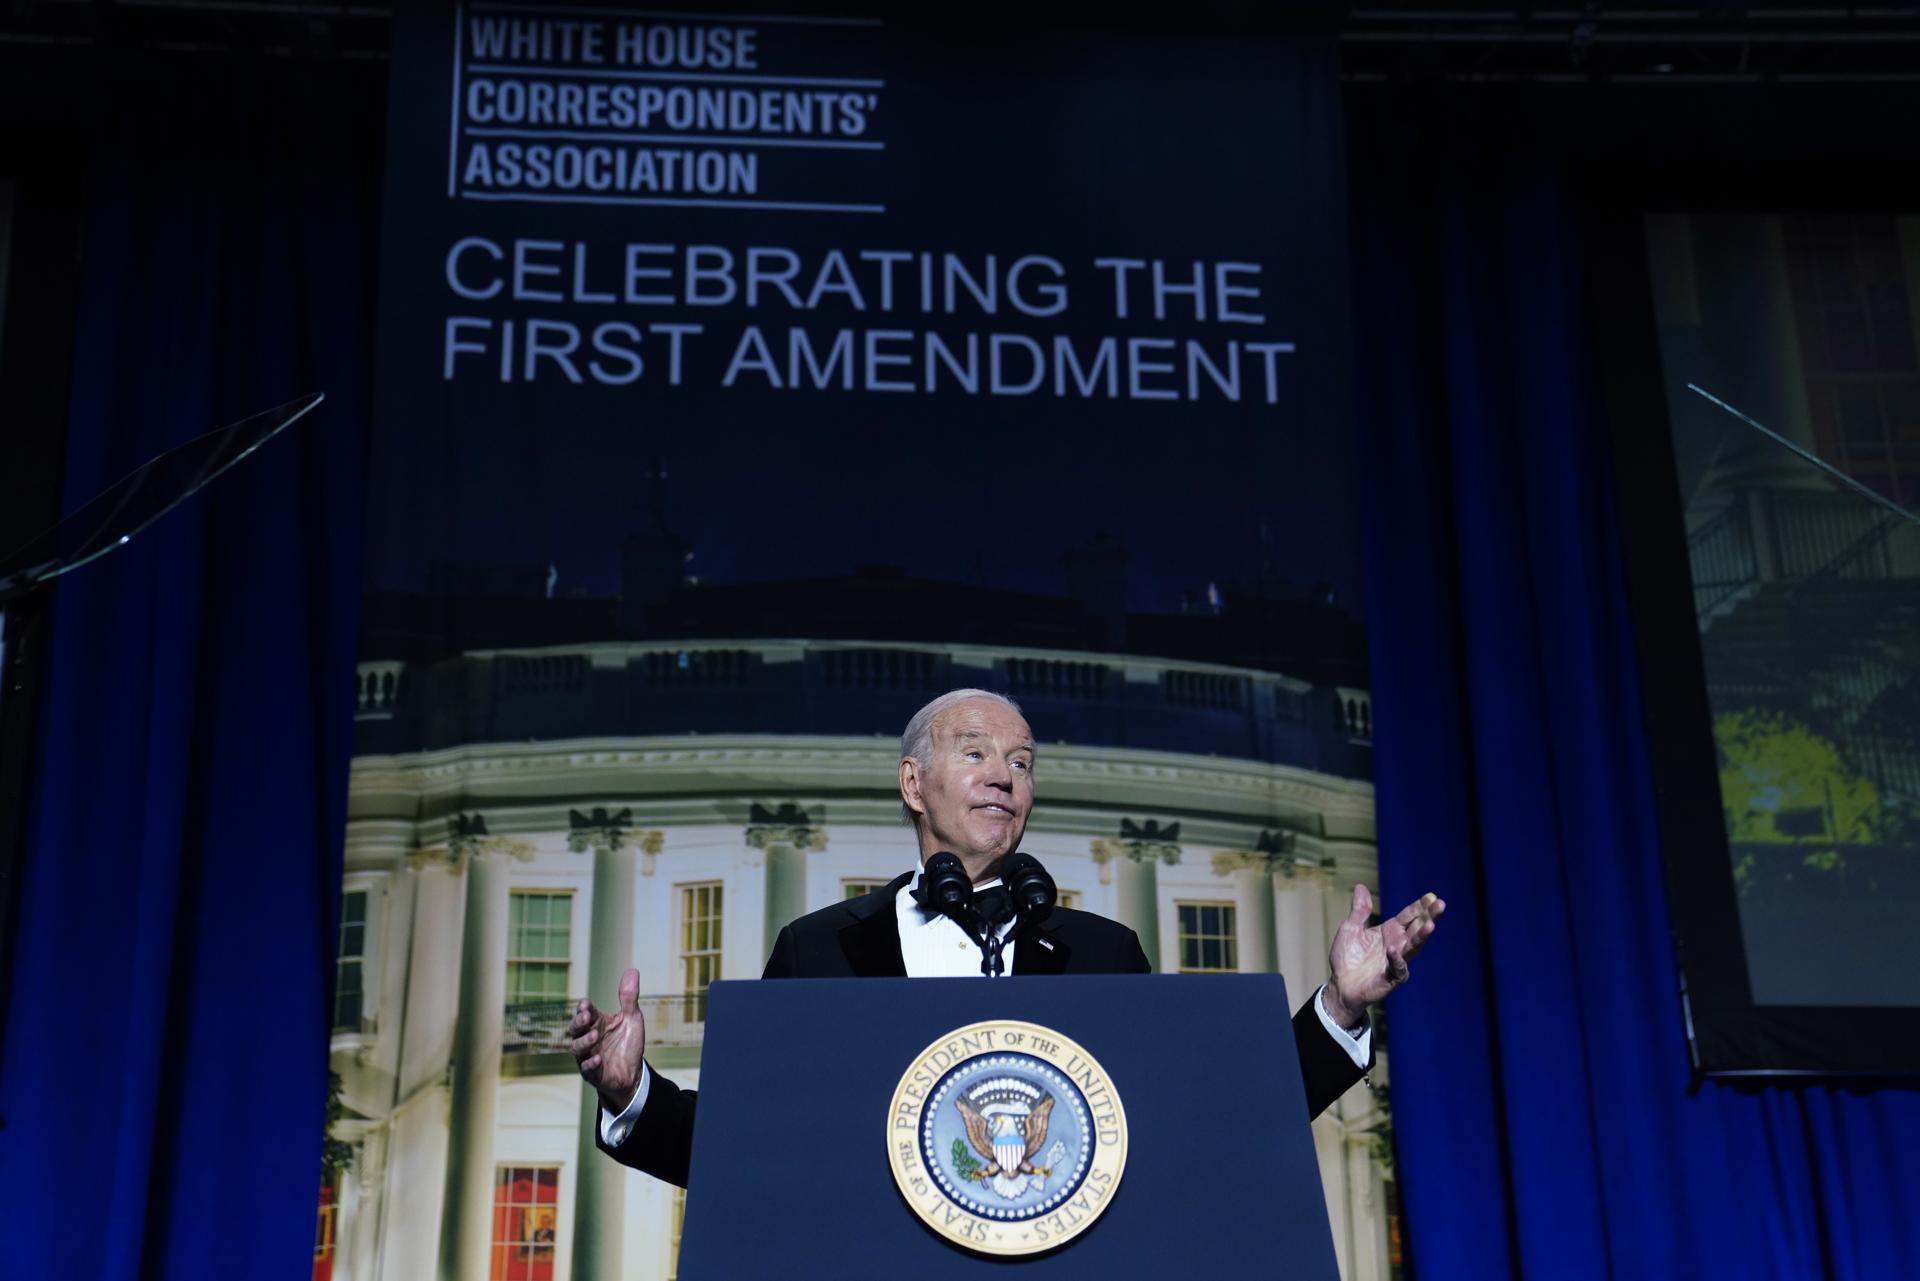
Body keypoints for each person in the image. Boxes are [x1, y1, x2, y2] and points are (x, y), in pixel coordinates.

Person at [571, 688, 1444, 1188]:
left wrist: (1339, 1006)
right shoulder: (821, 950)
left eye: (1022, 761)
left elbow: (1212, 1115)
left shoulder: (1104, 953)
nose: (1004, 776)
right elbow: (750, 1152)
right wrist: (630, 1090)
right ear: (914, 782)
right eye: (978, 752)